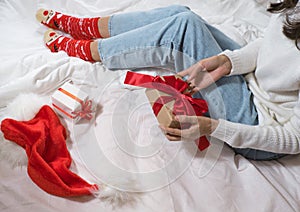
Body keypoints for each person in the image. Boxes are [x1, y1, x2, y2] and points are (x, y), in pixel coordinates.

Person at [36, 1, 300, 160]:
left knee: (184, 27)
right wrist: (231, 62)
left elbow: (292, 139)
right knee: (182, 13)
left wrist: (214, 127)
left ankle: (91, 51)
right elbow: (273, 46)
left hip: (260, 125)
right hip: (253, 81)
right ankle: (89, 28)